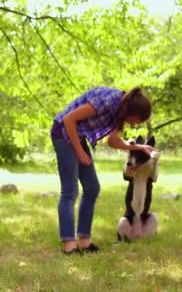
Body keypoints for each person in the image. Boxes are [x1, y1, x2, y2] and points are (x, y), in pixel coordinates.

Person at [50, 86, 155, 255]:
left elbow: (113, 141)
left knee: (92, 188)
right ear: (132, 111)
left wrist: (140, 147)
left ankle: (84, 241)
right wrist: (79, 151)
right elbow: (69, 120)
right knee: (70, 190)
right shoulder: (107, 101)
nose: (134, 124)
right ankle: (69, 245)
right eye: (136, 121)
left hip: (78, 136)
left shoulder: (121, 112)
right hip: (63, 132)